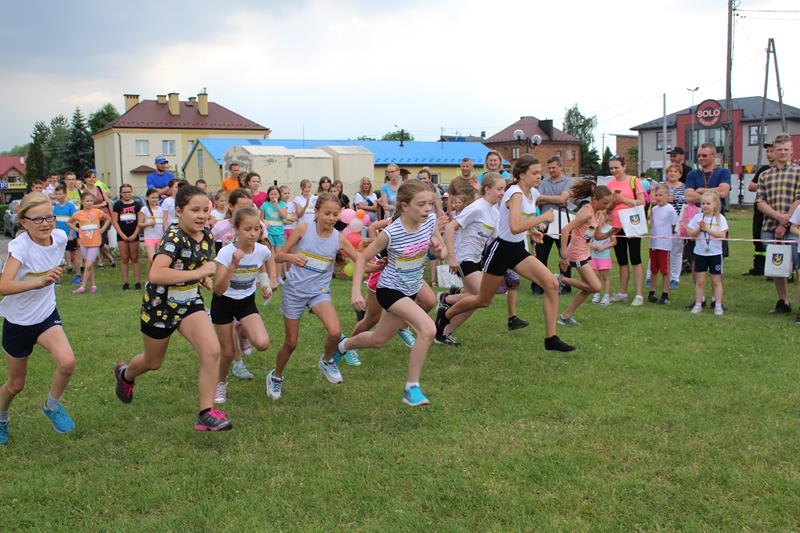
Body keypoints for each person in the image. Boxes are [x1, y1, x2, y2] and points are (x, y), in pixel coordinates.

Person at [113, 185, 231, 432]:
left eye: (205, 210)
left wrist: (202, 278)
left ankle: (206, 412)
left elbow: (193, 264)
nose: (201, 215)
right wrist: (198, 273)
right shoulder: (173, 238)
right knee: (153, 362)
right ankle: (126, 374)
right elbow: (156, 274)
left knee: (212, 352)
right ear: (179, 211)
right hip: (161, 306)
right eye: (195, 210)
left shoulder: (207, 236)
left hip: (189, 303)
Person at [436, 154, 574, 353]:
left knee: (551, 284)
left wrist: (532, 231)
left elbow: (515, 223)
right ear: (522, 175)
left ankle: (551, 339)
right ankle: (445, 315)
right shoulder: (514, 194)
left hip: (516, 250)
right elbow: (515, 226)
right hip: (501, 251)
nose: (539, 176)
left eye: (540, 172)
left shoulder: (532, 193)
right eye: (535, 173)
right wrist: (542, 218)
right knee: (482, 300)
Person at [336, 181, 445, 407]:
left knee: (378, 340)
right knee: (428, 329)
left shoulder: (430, 221)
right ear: (404, 206)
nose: (427, 209)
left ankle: (343, 346)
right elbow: (362, 258)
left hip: (411, 288)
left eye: (429, 204)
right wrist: (356, 291)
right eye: (421, 204)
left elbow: (439, 248)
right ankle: (411, 388)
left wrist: (439, 250)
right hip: (390, 290)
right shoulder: (391, 233)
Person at [266, 193, 360, 400]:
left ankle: (327, 361)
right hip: (295, 291)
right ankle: (276, 376)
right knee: (291, 343)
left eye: (335, 214)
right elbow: (279, 256)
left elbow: (360, 260)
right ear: (316, 212)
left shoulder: (339, 238)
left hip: (319, 291)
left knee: (335, 332)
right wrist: (292, 257)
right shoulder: (303, 229)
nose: (331, 218)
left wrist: (377, 266)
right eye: (327, 213)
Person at [0, 193, 76, 444]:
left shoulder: (60, 237)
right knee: (16, 384)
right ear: (24, 222)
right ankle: (1, 418)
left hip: (45, 315)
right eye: (38, 219)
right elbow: (4, 286)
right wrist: (40, 281)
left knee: (67, 362)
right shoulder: (20, 247)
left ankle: (51, 406)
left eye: (49, 217)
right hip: (18, 322)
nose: (45, 223)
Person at [211, 207, 277, 405]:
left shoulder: (262, 250)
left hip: (246, 302)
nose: (253, 233)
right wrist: (233, 265)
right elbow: (218, 290)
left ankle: (241, 332)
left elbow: (267, 260)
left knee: (263, 344)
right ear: (236, 229)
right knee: (228, 353)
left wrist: (267, 282)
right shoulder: (226, 253)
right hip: (223, 303)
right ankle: (220, 382)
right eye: (248, 229)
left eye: (257, 229)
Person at [438, 172, 506, 345]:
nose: (502, 193)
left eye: (504, 189)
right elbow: (450, 227)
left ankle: (443, 332)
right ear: (487, 189)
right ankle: (445, 301)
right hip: (463, 257)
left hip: (476, 259)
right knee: (482, 297)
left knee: (475, 300)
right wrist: (451, 257)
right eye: (499, 189)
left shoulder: (494, 211)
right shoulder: (477, 207)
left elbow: (498, 238)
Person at [211, 188, 262, 380]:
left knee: (244, 328)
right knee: (228, 332)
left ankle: (242, 338)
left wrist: (265, 280)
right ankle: (237, 364)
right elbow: (216, 253)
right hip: (226, 284)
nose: (247, 211)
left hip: (244, 288)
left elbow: (263, 254)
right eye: (242, 207)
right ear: (231, 207)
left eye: (250, 206)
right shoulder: (220, 228)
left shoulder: (255, 227)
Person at [555, 181, 611, 325]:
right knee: (596, 286)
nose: (607, 206)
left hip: (585, 251)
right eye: (605, 203)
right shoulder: (586, 212)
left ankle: (565, 317)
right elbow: (565, 230)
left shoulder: (598, 213)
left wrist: (611, 232)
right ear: (595, 199)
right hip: (576, 253)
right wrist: (564, 256)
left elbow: (597, 236)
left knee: (587, 287)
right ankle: (560, 279)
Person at [756, 133, 800, 314]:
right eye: (779, 149)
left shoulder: (798, 172)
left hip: (794, 229)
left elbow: (799, 199)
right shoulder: (765, 175)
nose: (782, 153)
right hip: (769, 227)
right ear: (774, 151)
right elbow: (760, 202)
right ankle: (783, 301)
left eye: (786, 149)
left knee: (798, 266)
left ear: (791, 151)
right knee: (777, 266)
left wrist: (785, 222)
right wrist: (778, 217)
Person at [532, 155, 574, 295]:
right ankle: (538, 285)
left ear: (561, 167)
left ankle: (565, 285)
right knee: (541, 256)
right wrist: (555, 199)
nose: (551, 170)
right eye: (549, 168)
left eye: (553, 168)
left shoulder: (569, 182)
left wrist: (544, 198)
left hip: (563, 224)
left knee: (564, 255)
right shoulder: (544, 182)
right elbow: (536, 200)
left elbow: (562, 198)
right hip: (544, 224)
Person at [607, 156, 646, 306]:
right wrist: (612, 203)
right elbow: (608, 207)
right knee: (622, 260)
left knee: (635, 259)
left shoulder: (634, 181)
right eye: (611, 168)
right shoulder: (610, 184)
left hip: (632, 223)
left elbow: (642, 202)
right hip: (616, 225)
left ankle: (639, 295)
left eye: (616, 167)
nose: (614, 170)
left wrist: (623, 200)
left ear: (624, 167)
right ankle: (622, 292)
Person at [684, 191, 728, 316]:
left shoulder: (720, 218)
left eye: (708, 203)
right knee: (700, 281)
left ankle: (718, 305)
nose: (705, 206)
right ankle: (698, 304)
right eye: (703, 203)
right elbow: (691, 235)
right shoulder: (697, 218)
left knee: (716, 281)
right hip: (700, 254)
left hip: (715, 254)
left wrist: (707, 229)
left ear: (715, 205)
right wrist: (699, 228)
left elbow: (722, 235)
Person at [67, 191, 111, 295]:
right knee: (89, 265)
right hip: (84, 242)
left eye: (91, 201)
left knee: (89, 264)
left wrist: (102, 229)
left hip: (95, 242)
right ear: (82, 202)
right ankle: (93, 285)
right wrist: (77, 229)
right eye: (87, 201)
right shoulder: (78, 213)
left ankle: (82, 286)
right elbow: (69, 222)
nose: (89, 203)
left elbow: (108, 219)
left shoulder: (97, 212)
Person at [745, 143, 775, 276]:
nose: (769, 154)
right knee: (757, 237)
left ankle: (776, 267)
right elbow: (751, 186)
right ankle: (758, 266)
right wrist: (765, 185)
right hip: (760, 209)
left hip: (775, 209)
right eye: (767, 152)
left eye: (771, 151)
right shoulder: (763, 170)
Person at [646, 184, 678, 304]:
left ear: (667, 196)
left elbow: (674, 225)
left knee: (665, 270)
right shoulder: (654, 210)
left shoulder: (670, 209)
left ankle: (665, 294)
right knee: (653, 269)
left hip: (664, 245)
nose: (658, 197)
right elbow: (652, 223)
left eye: (661, 195)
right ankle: (652, 292)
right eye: (657, 195)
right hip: (653, 244)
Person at [111, 184, 143, 291]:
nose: (127, 194)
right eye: (124, 192)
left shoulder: (137, 204)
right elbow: (115, 221)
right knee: (124, 258)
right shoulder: (117, 205)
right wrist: (122, 235)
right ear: (121, 193)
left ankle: (137, 282)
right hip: (122, 235)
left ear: (131, 192)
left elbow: (140, 221)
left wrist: (135, 234)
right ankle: (125, 282)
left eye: (129, 191)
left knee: (135, 258)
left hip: (134, 234)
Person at [82, 170, 115, 269]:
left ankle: (101, 262)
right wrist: (100, 205)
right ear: (85, 179)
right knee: (98, 240)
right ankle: (111, 258)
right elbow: (86, 205)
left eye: (93, 177)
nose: (92, 179)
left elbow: (107, 202)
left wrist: (111, 215)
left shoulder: (100, 188)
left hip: (105, 216)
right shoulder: (84, 191)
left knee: (103, 238)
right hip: (93, 218)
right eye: (89, 177)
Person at [51, 185, 80, 280]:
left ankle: (78, 275)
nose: (58, 196)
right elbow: (55, 220)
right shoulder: (56, 207)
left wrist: (71, 234)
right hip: (59, 235)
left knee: (74, 255)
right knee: (58, 256)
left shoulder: (70, 205)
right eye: (56, 194)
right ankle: (57, 277)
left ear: (65, 194)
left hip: (69, 235)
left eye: (60, 194)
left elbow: (74, 220)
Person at [665, 163, 686, 288]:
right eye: (670, 171)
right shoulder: (661, 186)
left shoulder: (685, 187)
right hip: (663, 223)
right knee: (659, 250)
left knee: (676, 252)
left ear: (680, 174)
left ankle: (674, 278)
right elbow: (652, 200)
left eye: (675, 171)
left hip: (678, 222)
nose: (672, 173)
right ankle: (651, 276)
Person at [589, 211, 616, 306]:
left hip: (604, 257)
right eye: (596, 216)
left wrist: (603, 247)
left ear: (605, 217)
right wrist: (593, 246)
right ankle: (596, 294)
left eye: (601, 216)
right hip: (594, 257)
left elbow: (614, 242)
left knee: (605, 277)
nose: (599, 218)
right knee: (596, 277)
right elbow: (586, 240)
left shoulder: (610, 229)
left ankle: (606, 296)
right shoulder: (591, 228)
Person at [140, 188, 164, 274]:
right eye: (153, 197)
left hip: (160, 237)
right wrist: (148, 224)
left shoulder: (161, 209)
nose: (155, 200)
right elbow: (140, 224)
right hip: (149, 238)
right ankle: (150, 278)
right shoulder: (144, 209)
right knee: (152, 260)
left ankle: (157, 277)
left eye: (156, 198)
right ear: (147, 198)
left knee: (159, 260)